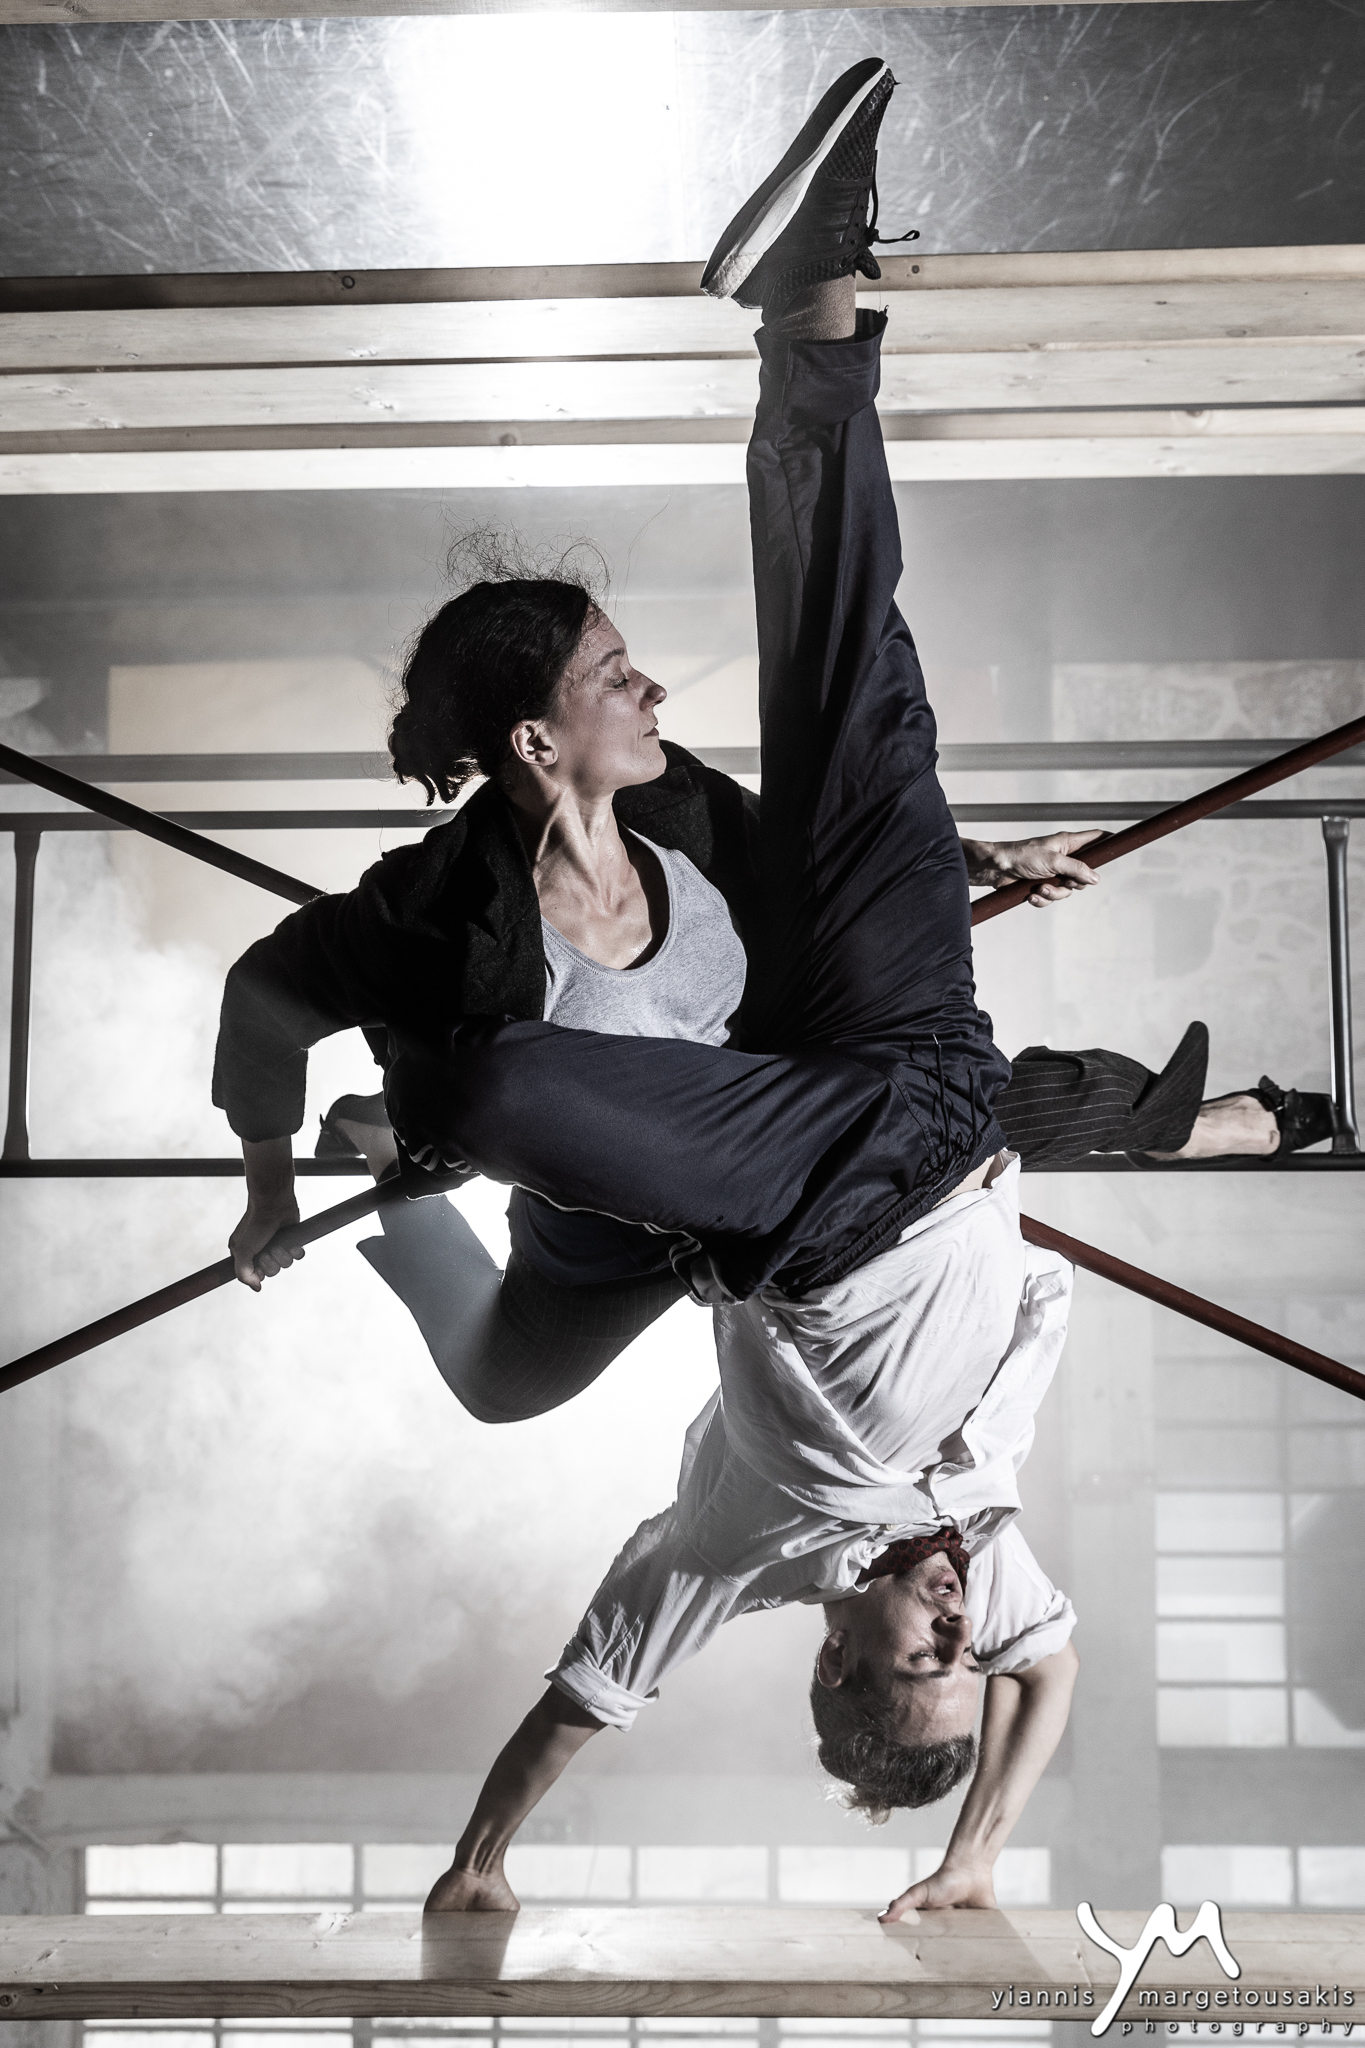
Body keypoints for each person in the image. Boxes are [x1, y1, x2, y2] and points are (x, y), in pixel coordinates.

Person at [374, 56, 1083, 1916]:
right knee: (862, 691)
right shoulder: (998, 1568)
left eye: (918, 1655)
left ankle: (419, 1114)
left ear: (836, 1661)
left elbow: (581, 1703)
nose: (959, 1621)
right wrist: (975, 1858)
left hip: (798, 1187)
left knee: (490, 1095)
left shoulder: (730, 1554)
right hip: (929, 1064)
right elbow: (1054, 1677)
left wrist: (478, 1865)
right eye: (967, 1652)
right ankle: (812, 304)